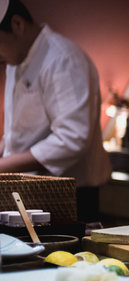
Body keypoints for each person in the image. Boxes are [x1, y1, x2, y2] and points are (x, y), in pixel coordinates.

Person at [0, 0, 111, 223]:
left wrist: (3, 166)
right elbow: (17, 134)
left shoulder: (62, 58)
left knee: (66, 258)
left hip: (71, 195)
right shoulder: (15, 63)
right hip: (30, 192)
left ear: (17, 24)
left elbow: (72, 138)